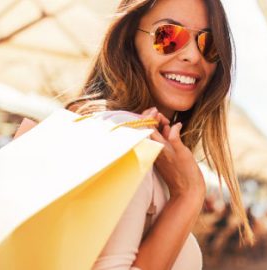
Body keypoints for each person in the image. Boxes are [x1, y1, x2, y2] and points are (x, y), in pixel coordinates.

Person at [65, 0, 254, 268]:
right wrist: (188, 196)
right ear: (130, 40)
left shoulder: (144, 150)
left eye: (208, 44)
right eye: (167, 36)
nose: (192, 55)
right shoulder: (126, 142)